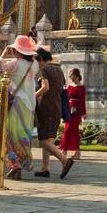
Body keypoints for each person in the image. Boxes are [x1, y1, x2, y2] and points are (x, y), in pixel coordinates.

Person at [0, 34, 40, 180]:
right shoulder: (34, 65)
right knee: (22, 135)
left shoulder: (15, 64)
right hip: (29, 106)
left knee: (6, 134)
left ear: (17, 50)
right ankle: (19, 164)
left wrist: (2, 54)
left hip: (16, 104)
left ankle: (15, 164)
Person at [33, 47, 74, 179]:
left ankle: (64, 160)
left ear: (40, 60)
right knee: (49, 138)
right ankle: (44, 168)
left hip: (46, 107)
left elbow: (45, 87)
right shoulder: (59, 69)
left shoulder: (44, 70)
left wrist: (32, 96)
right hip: (57, 107)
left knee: (43, 141)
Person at [62, 67, 86, 160]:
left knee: (73, 131)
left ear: (77, 76)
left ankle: (74, 152)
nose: (71, 78)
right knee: (67, 130)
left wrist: (83, 113)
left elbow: (82, 101)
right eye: (70, 76)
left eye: (72, 76)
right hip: (68, 110)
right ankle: (65, 150)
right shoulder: (69, 86)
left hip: (76, 111)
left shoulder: (81, 87)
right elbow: (65, 99)